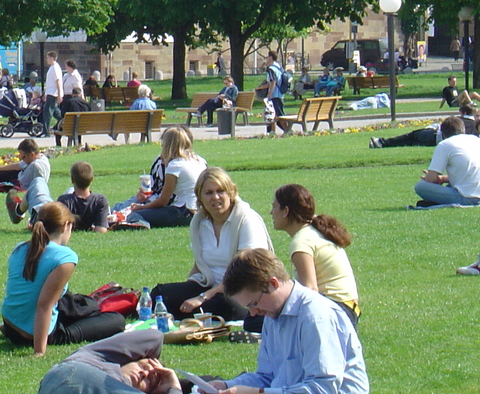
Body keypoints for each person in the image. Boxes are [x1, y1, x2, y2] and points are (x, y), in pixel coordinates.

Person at [216, 248, 369, 394]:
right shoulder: (272, 314)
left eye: (254, 304)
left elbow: (323, 389)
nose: (253, 313)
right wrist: (225, 386)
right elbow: (267, 377)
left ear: (273, 284)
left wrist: (258, 393)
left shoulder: (316, 317)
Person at [150, 166, 272, 333]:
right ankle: (192, 312)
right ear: (200, 197)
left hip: (239, 290)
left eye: (220, 191)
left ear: (231, 192)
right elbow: (199, 264)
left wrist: (202, 297)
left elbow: (246, 273)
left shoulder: (247, 220)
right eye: (208, 193)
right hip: (207, 285)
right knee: (161, 295)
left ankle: (194, 313)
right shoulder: (200, 222)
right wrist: (187, 291)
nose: (215, 197)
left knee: (222, 305)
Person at [0, 202, 125, 355]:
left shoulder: (20, 248)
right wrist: (39, 351)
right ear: (65, 225)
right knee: (116, 320)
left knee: (80, 302)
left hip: (10, 325)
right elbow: (44, 305)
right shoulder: (65, 257)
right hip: (32, 334)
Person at [270, 184, 360, 326]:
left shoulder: (301, 242)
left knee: (266, 319)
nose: (271, 212)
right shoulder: (314, 230)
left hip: (336, 312)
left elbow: (310, 291)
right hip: (347, 309)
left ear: (285, 211)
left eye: (274, 207)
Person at [37, 329, 180, 394]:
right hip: (74, 373)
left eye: (150, 380)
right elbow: (154, 336)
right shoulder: (97, 357)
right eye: (142, 365)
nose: (144, 373)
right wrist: (174, 390)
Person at [124, 127, 206, 228]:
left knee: (135, 215)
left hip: (183, 211)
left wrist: (143, 207)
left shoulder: (175, 165)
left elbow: (164, 200)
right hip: (199, 211)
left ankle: (141, 225)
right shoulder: (200, 161)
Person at [413, 115, 480, 206]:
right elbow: (469, 173)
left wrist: (432, 178)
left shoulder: (445, 145)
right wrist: (443, 179)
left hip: (467, 197)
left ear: (443, 134)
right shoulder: (475, 139)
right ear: (463, 129)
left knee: (421, 186)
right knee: (451, 186)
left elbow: (430, 179)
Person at [7, 137, 52, 225]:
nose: (21, 159)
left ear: (31, 154)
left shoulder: (36, 166)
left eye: (23, 156)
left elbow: (34, 189)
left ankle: (18, 212)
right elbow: (18, 165)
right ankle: (18, 212)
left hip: (26, 187)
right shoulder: (37, 159)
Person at [58, 162, 110, 233]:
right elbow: (101, 230)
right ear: (92, 179)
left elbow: (59, 229)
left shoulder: (64, 201)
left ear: (72, 179)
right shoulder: (100, 201)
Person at [43, 51, 64, 128]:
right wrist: (46, 93)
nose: (46, 59)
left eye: (48, 58)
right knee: (55, 112)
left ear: (52, 58)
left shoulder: (55, 68)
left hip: (53, 93)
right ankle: (64, 121)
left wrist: (59, 95)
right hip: (50, 92)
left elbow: (58, 81)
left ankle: (46, 130)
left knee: (47, 112)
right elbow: (49, 83)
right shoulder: (52, 67)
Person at [264, 50, 286, 118]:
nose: (266, 59)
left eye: (267, 57)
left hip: (275, 95)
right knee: (275, 115)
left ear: (271, 57)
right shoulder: (279, 66)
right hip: (280, 93)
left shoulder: (271, 69)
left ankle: (288, 129)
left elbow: (273, 81)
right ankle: (272, 129)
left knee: (278, 116)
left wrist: (269, 94)